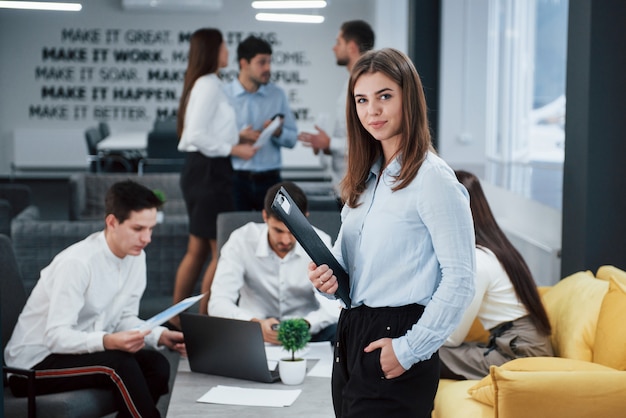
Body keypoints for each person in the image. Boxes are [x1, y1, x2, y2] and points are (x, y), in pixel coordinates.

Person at [307, 48, 476, 418]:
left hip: (398, 333)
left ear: (408, 99)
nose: (372, 111)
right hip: (352, 330)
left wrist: (409, 349)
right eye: (362, 100)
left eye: (385, 96)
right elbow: (352, 264)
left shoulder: (433, 179)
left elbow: (461, 279)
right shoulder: (363, 179)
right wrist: (329, 278)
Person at [4, 180, 186, 418]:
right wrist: (108, 341)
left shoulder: (135, 257)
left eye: (151, 229)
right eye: (138, 229)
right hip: (32, 365)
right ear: (112, 222)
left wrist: (159, 335)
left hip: (75, 352)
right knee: (119, 365)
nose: (147, 238)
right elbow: (56, 336)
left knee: (158, 366)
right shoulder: (77, 264)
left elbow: (123, 318)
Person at [173, 28, 256, 326]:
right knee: (220, 249)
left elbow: (207, 129)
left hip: (203, 170)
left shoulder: (207, 83)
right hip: (209, 173)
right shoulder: (208, 84)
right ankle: (205, 320)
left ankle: (177, 317)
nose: (227, 51)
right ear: (212, 50)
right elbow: (195, 135)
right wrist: (234, 147)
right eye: (223, 46)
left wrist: (238, 135)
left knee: (197, 250)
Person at [438, 170, 554, 380]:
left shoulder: (477, 260)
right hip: (520, 345)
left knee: (419, 356)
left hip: (519, 354)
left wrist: (414, 339)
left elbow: (453, 338)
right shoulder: (494, 248)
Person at [209, 181, 340, 344]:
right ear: (265, 216)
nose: (285, 240)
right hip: (252, 332)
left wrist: (306, 325)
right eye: (278, 230)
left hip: (308, 333)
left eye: (292, 231)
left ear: (305, 218)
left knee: (340, 331)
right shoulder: (241, 240)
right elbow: (218, 302)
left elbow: (336, 305)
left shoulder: (321, 242)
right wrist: (255, 324)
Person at [223, 35, 298, 211]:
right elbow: (210, 139)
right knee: (235, 232)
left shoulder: (277, 95)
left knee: (273, 234)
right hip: (234, 180)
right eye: (261, 62)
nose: (268, 68)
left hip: (270, 180)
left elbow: (292, 139)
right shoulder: (223, 95)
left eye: (269, 62)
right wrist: (237, 138)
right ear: (244, 63)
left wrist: (277, 132)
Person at [298, 20, 375, 190]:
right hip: (345, 183)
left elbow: (369, 138)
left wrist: (329, 143)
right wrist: (326, 146)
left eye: (338, 42)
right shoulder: (349, 82)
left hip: (360, 185)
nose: (334, 48)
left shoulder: (365, 85)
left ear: (352, 47)